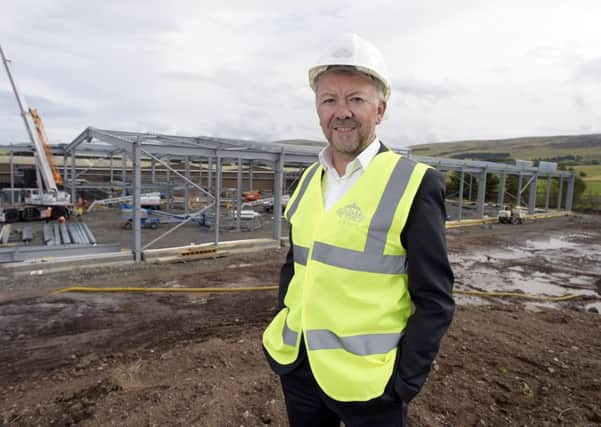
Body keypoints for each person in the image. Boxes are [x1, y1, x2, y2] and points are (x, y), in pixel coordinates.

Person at [262, 33, 455, 427]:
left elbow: (435, 299)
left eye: (356, 99)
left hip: (372, 384)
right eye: (329, 100)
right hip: (299, 368)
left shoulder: (414, 184)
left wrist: (404, 383)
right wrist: (284, 318)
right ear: (318, 109)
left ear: (380, 109)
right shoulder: (308, 179)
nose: (341, 112)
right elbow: (296, 263)